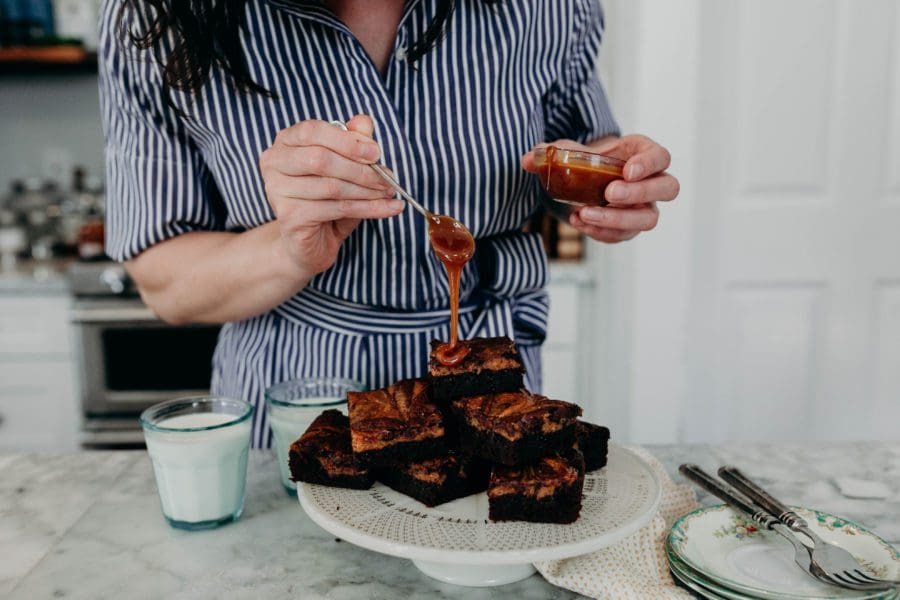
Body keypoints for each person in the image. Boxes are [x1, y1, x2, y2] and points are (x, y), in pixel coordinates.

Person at [99, 0, 679, 448]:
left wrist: (609, 182)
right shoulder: (153, 18)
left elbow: (568, 156)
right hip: (295, 398)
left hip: (492, 384)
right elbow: (165, 283)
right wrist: (288, 249)